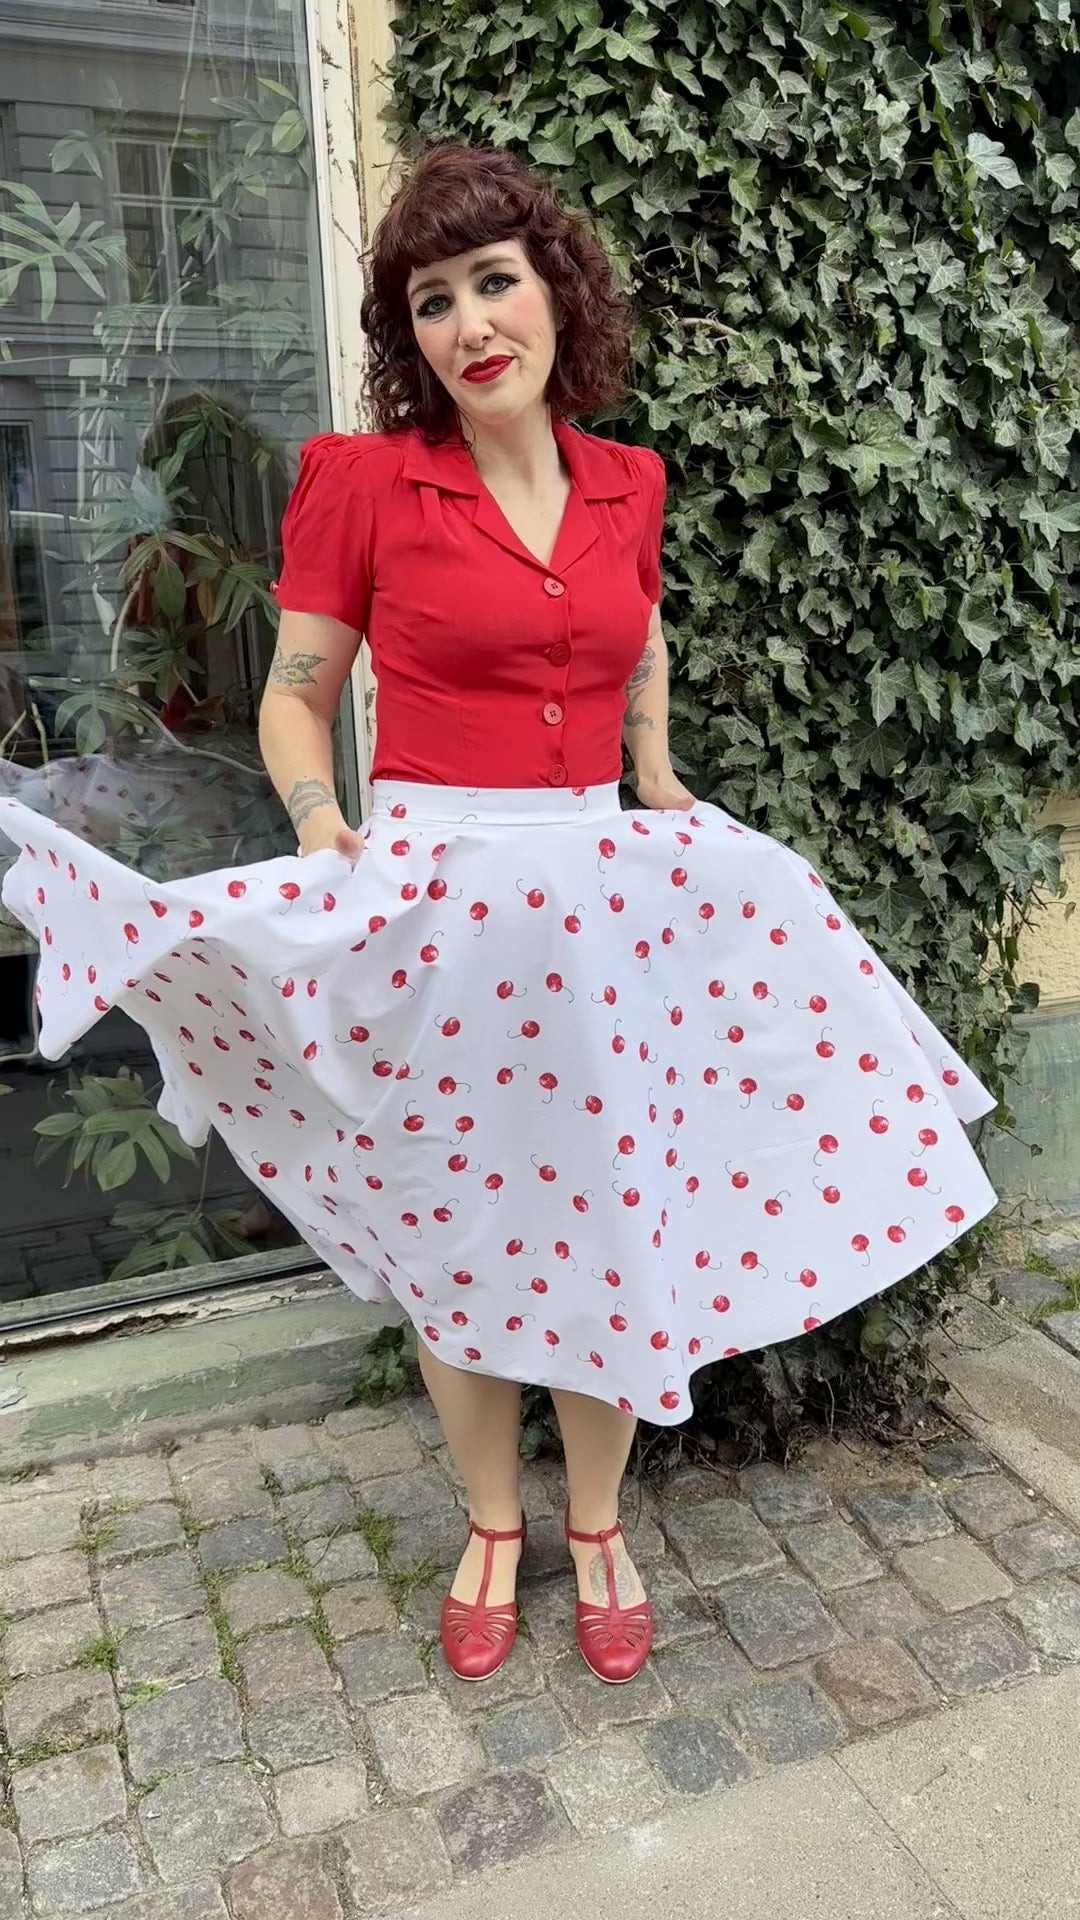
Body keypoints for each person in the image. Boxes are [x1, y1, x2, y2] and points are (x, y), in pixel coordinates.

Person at [0, 144, 998, 1690]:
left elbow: (637, 633)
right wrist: (323, 825)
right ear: (411, 335)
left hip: (598, 917)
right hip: (438, 908)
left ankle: (595, 1524)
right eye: (433, 300)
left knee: (607, 1220)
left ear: (554, 292)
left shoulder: (628, 482)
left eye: (494, 283)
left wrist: (653, 774)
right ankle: (489, 1520)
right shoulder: (364, 482)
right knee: (451, 1228)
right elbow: (295, 694)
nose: (471, 323)